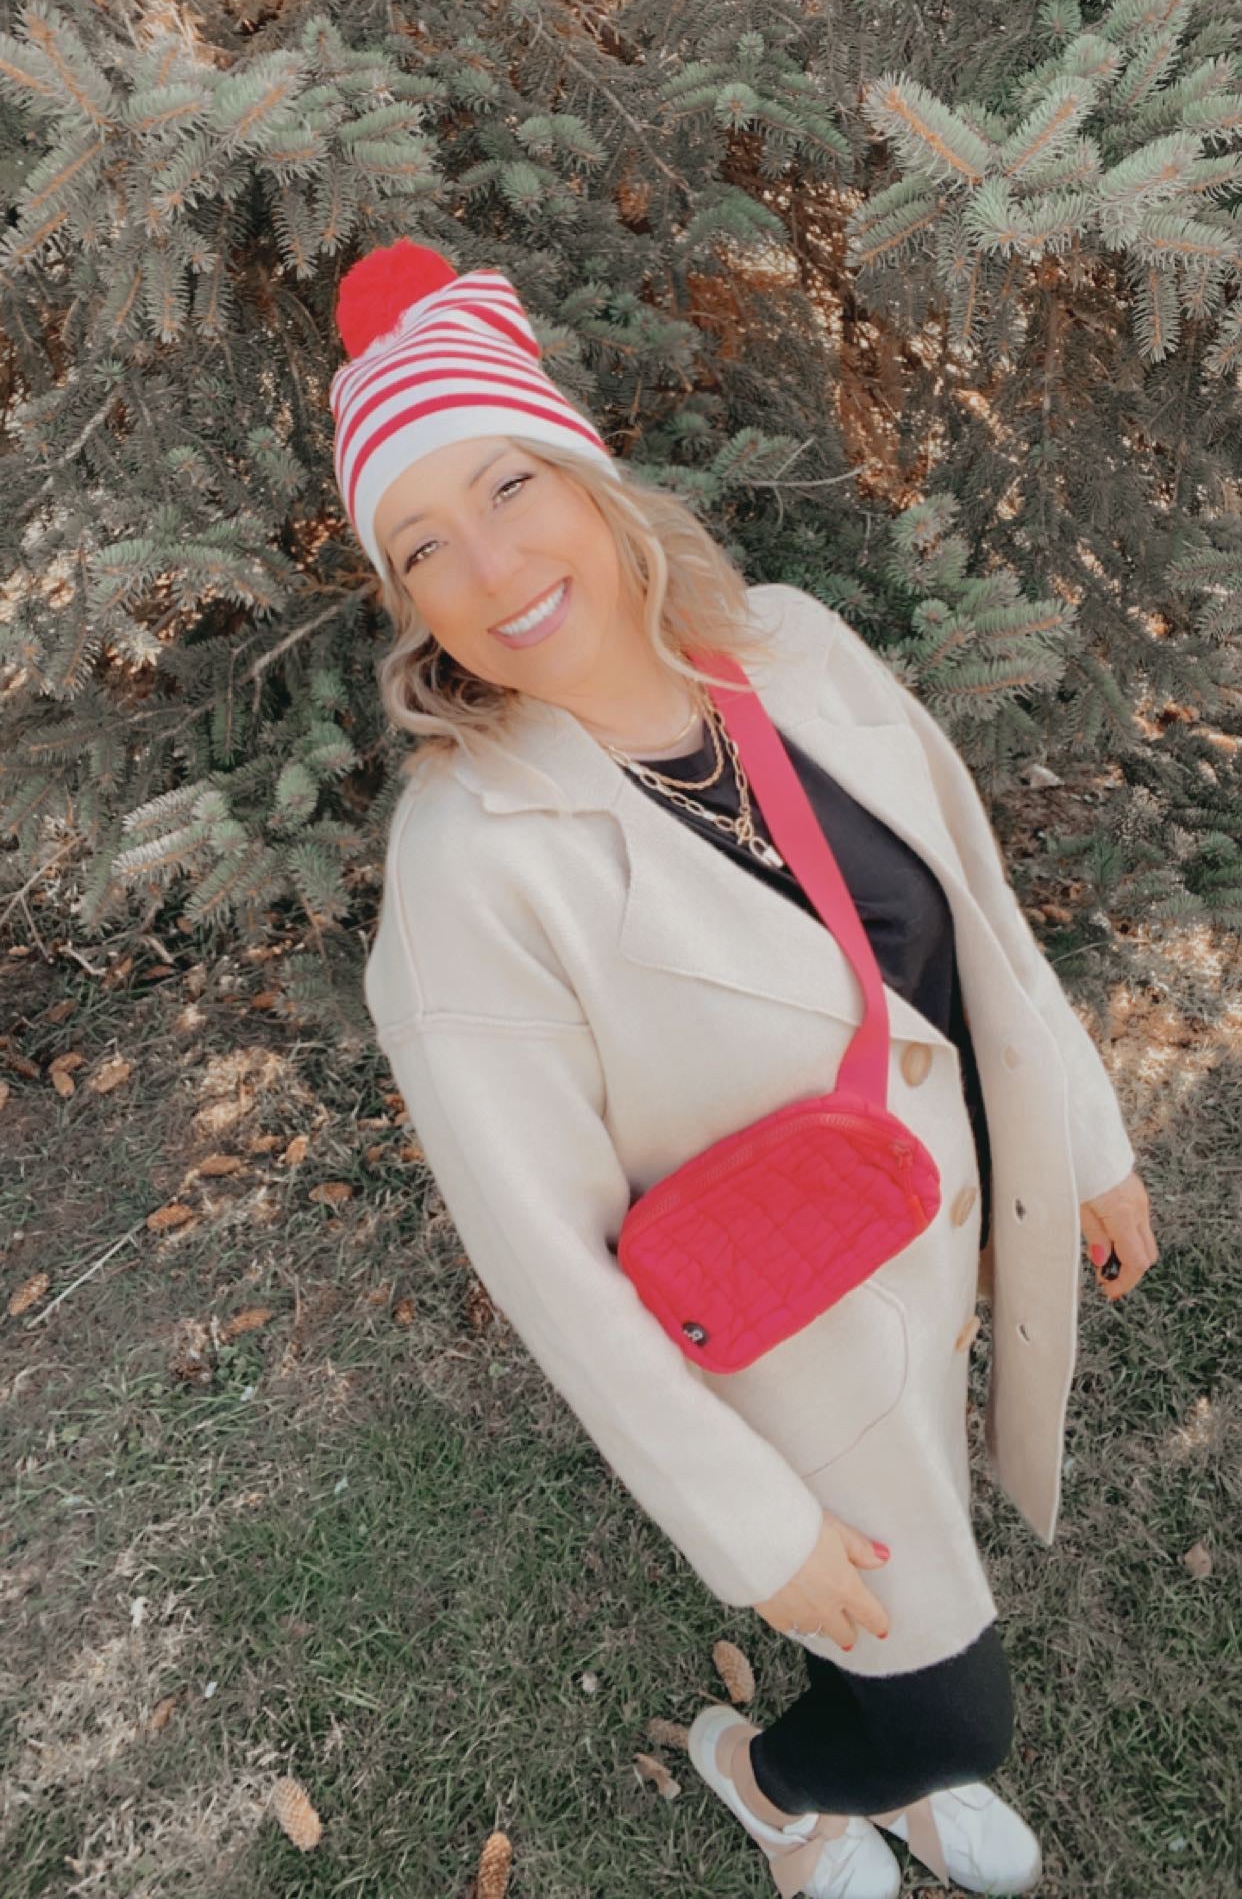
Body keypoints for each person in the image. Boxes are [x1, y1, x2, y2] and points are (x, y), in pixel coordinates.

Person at [328, 240, 1159, 1899]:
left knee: (914, 1599)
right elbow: (543, 1261)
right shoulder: (468, 867)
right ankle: (776, 1779)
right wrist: (751, 1533)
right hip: (787, 1346)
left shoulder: (787, 645)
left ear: (589, 474)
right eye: (424, 543)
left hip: (946, 1238)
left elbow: (976, 918)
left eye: (507, 486)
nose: (489, 563)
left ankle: (875, 1786)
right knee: (944, 1694)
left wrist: (1082, 1139)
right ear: (405, 599)